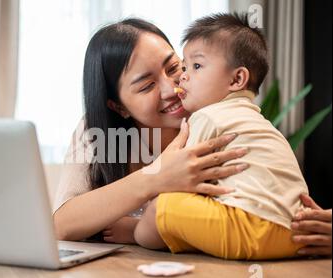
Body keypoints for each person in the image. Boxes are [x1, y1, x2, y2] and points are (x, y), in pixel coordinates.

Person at [53, 18, 332, 258]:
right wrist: (156, 177)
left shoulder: (214, 115)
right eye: (147, 85)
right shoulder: (97, 132)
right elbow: (62, 225)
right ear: (119, 106)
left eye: (175, 68)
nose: (173, 88)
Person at [133, 12, 313, 260]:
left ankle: (133, 232)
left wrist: (145, 219)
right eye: (184, 67)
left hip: (252, 228)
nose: (183, 76)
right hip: (296, 233)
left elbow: (181, 181)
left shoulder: (208, 117)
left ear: (237, 78)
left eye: (196, 66)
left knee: (161, 208)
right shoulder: (258, 122)